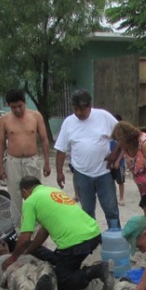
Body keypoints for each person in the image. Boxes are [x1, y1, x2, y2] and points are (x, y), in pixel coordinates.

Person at [2, 176, 115, 290]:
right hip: (94, 234)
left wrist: (13, 257)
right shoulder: (53, 191)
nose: (24, 199)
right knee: (61, 260)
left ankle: (97, 270)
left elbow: (25, 237)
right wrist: (30, 250)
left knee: (60, 280)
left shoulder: (30, 201)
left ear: (24, 191)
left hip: (75, 243)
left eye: (23, 196)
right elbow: (43, 232)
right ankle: (73, 267)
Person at [55, 90, 120, 229]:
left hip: (104, 173)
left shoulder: (103, 116)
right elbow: (61, 149)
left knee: (111, 210)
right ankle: (92, 240)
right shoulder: (68, 122)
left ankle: (115, 238)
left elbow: (123, 135)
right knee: (87, 211)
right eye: (75, 109)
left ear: (89, 106)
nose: (78, 112)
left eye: (81, 109)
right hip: (82, 174)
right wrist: (59, 172)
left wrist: (114, 154)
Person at [0, 89, 51, 215]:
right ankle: (17, 230)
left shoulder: (36, 116)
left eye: (20, 106)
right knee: (15, 196)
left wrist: (47, 162)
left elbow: (44, 140)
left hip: (31, 161)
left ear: (25, 103)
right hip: (13, 162)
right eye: (13, 107)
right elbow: (0, 143)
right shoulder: (4, 120)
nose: (17, 110)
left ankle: (35, 229)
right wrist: (0, 166)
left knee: (34, 195)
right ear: (9, 106)